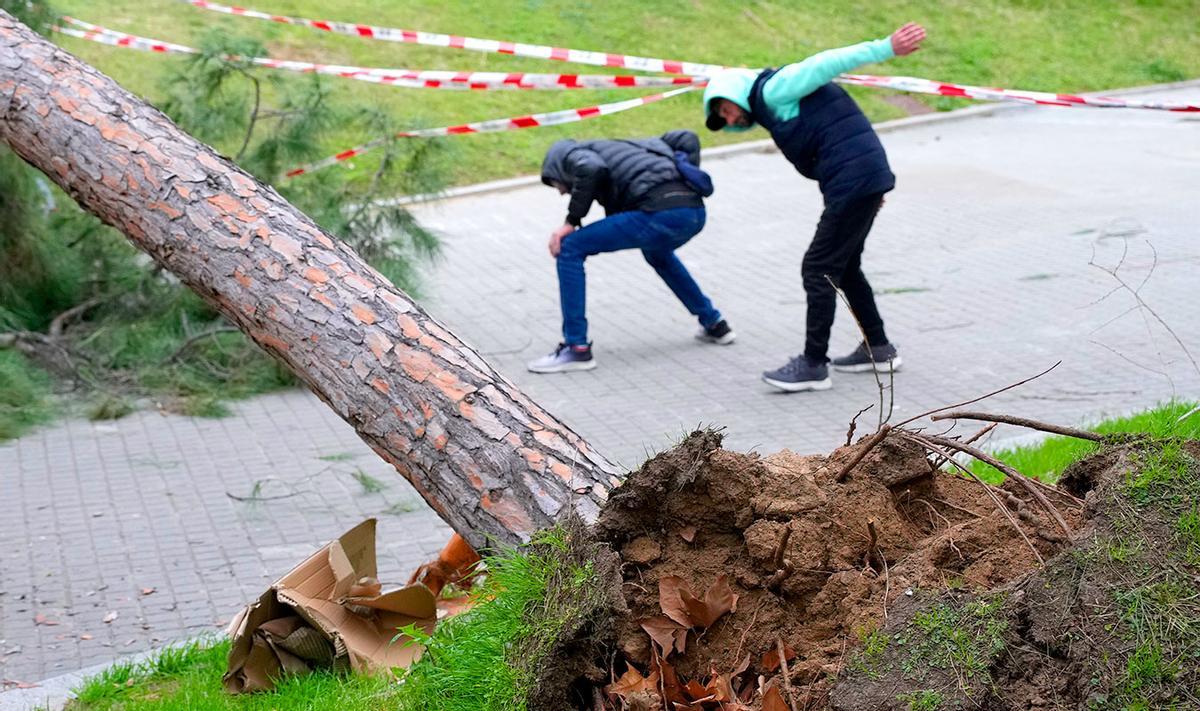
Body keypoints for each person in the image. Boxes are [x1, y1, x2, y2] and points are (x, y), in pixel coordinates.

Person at [703, 22, 927, 392]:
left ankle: (813, 364)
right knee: (845, 266)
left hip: (856, 181)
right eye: (724, 119)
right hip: (861, 180)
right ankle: (879, 348)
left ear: (733, 93)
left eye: (726, 110)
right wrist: (869, 186)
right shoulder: (772, 105)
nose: (729, 119)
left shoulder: (774, 89)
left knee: (818, 268)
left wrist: (886, 47)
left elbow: (825, 62)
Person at [527, 130, 734, 374]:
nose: (562, 192)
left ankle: (576, 348)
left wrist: (571, 221)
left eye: (557, 185)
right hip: (694, 212)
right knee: (657, 253)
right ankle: (715, 324)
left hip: (659, 213)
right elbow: (687, 137)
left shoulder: (573, 155)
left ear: (557, 167)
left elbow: (591, 168)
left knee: (570, 247)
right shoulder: (633, 146)